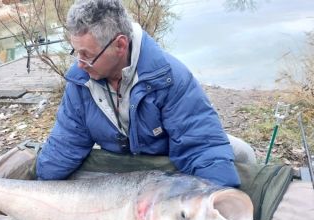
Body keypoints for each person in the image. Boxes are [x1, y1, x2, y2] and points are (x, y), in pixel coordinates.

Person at [36, 0, 240, 187]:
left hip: (166, 169)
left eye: (87, 55)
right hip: (123, 179)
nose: (80, 64)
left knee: (241, 154)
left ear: (120, 45)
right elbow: (66, 143)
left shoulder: (169, 78)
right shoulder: (80, 81)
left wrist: (218, 201)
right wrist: (40, 184)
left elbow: (200, 146)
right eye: (76, 52)